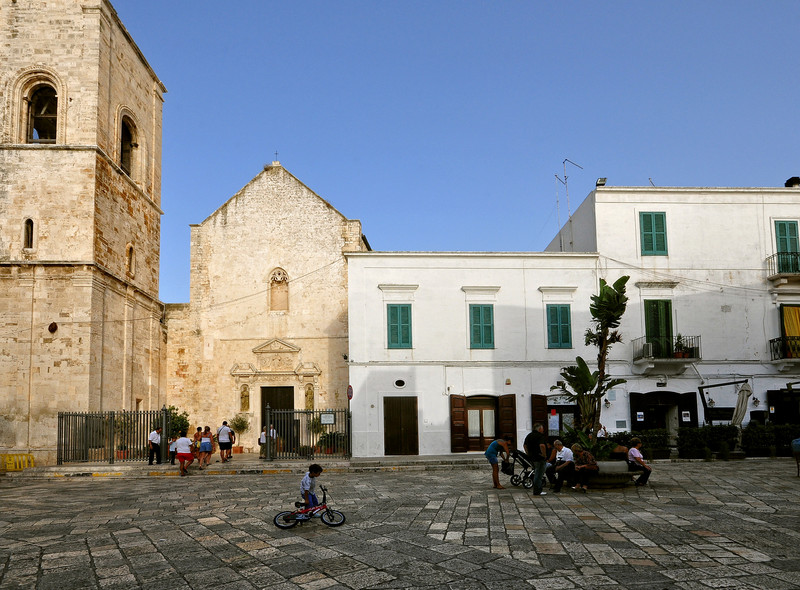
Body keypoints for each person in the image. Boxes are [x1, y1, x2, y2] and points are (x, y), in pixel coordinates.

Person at [524, 423, 548, 496]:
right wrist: (544, 454)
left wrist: (528, 453)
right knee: (539, 474)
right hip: (539, 458)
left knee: (536, 472)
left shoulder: (529, 435)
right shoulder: (540, 436)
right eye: (542, 428)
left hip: (532, 458)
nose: (543, 430)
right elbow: (542, 445)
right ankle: (537, 490)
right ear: (540, 429)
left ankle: (537, 489)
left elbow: (525, 445)